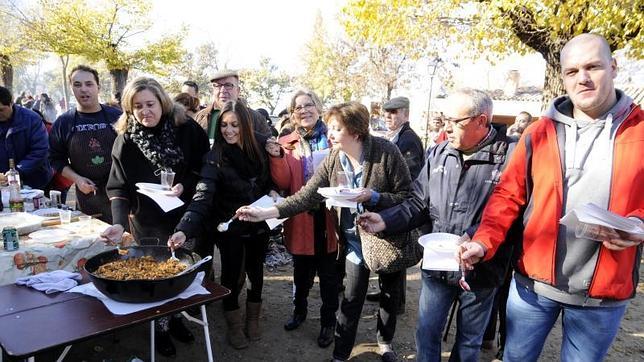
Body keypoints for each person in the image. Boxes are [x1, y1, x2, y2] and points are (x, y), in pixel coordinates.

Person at [460, 33, 643, 362]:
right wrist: (483, 241)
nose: (582, 78)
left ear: (613, 67)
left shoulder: (641, 131)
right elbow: (507, 196)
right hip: (533, 286)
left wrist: (639, 224)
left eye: (593, 67)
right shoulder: (538, 133)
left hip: (602, 295)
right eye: (572, 71)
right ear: (563, 77)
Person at [238, 101, 412, 362]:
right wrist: (264, 213)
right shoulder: (333, 158)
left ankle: (385, 342)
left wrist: (373, 196)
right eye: (330, 128)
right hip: (354, 242)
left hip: (388, 240)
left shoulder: (386, 152)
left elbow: (407, 196)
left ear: (355, 131)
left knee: (389, 294)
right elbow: (305, 197)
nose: (329, 134)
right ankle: (341, 354)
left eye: (336, 129)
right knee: (351, 298)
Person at [357, 88, 518, 361]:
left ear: (481, 120)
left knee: (468, 342)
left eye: (455, 121)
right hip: (437, 264)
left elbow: (513, 213)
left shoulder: (510, 156)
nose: (447, 128)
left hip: (482, 269)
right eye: (444, 119)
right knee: (427, 331)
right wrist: (384, 219)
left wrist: (477, 238)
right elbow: (418, 202)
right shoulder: (438, 152)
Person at [101, 76, 209, 357]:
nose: (144, 111)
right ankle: (159, 327)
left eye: (150, 104)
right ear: (129, 109)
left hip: (184, 215)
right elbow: (118, 187)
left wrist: (185, 183)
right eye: (137, 106)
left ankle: (176, 318)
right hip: (146, 220)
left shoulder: (187, 131)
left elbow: (203, 168)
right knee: (154, 274)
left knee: (181, 271)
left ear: (162, 101)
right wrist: (117, 223)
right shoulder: (125, 141)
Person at [168, 101, 276, 350]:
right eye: (224, 125)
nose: (229, 130)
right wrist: (185, 228)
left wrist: (274, 189)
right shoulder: (214, 157)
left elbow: (272, 179)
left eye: (235, 125)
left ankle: (253, 318)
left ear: (246, 127)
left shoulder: (261, 149)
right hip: (228, 226)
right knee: (230, 273)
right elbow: (202, 196)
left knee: (256, 272)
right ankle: (234, 323)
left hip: (259, 222)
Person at [264, 90, 338, 348]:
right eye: (298, 108)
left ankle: (329, 321)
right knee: (301, 271)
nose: (304, 110)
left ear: (318, 108)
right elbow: (284, 182)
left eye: (309, 105)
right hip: (301, 216)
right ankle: (300, 311)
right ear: (293, 114)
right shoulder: (287, 142)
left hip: (331, 216)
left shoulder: (333, 139)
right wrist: (277, 157)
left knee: (330, 276)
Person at [366, 96, 425, 312]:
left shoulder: (408, 139)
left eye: (395, 112)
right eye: (387, 113)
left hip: (401, 203)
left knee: (397, 252)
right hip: (392, 202)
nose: (389, 116)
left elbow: (410, 175)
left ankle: (395, 301)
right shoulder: (396, 136)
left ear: (406, 114)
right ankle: (388, 294)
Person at [49, 65, 122, 221]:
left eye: (89, 84)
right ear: (71, 89)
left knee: (125, 240)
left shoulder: (117, 116)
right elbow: (56, 159)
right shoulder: (64, 123)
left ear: (98, 87)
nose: (83, 89)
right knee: (93, 241)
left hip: (120, 194)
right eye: (77, 85)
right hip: (87, 195)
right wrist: (77, 179)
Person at [194, 70, 271, 143]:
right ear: (213, 90)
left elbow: (269, 148)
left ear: (238, 91)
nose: (223, 90)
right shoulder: (200, 117)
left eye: (228, 85)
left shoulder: (256, 118)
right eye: (218, 85)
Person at [0, 86, 52, 189]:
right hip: (5, 183)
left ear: (11, 104)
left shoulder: (32, 119)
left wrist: (17, 172)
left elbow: (40, 150)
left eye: (1, 110)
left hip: (35, 181)